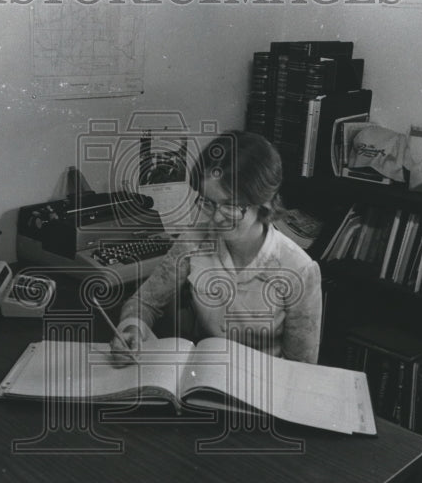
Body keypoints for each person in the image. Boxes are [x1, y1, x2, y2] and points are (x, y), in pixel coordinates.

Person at [110, 130, 322, 365]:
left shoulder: (300, 270)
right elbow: (145, 302)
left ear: (263, 202)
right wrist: (132, 329)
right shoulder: (193, 241)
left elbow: (301, 368)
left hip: (264, 390)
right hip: (202, 378)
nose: (216, 218)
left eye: (230, 206)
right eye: (208, 203)